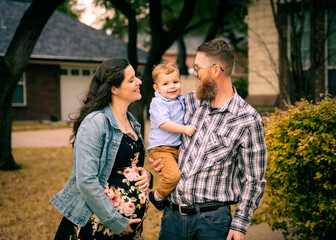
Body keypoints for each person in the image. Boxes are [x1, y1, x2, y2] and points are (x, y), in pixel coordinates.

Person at [149, 39, 267, 240]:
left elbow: (254, 179)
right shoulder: (188, 102)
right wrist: (159, 159)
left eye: (197, 68)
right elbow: (163, 127)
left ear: (215, 71)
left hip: (212, 223)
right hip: (172, 217)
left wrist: (239, 225)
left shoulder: (247, 119)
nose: (194, 73)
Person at [51, 58, 152, 240]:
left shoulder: (132, 122)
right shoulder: (95, 122)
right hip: (97, 226)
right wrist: (116, 222)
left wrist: (147, 176)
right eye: (131, 80)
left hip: (127, 230)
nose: (139, 82)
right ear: (114, 88)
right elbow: (86, 180)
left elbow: (130, 166)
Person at [147, 61, 196, 210]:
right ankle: (156, 196)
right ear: (156, 87)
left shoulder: (180, 99)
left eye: (175, 82)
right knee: (173, 176)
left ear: (180, 82)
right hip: (161, 149)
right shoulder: (158, 103)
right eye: (166, 84)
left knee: (182, 174)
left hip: (175, 147)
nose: (172, 86)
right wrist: (184, 129)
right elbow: (164, 123)